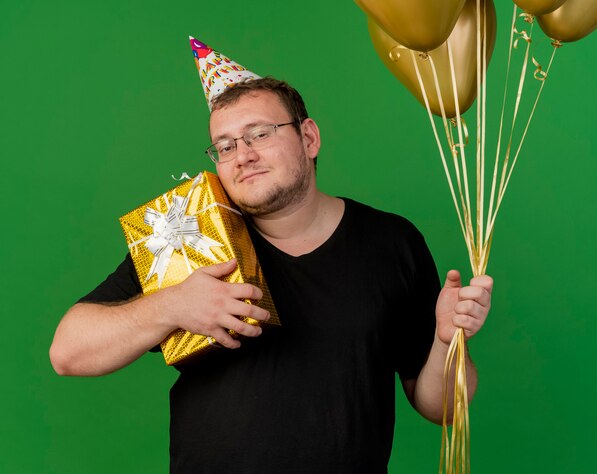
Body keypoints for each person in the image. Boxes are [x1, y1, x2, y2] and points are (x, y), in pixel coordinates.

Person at [50, 75, 493, 473]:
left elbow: (445, 409)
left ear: (309, 137)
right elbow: (68, 352)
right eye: (225, 146)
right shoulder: (190, 237)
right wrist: (172, 305)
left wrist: (445, 340)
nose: (242, 155)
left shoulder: (393, 242)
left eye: (259, 134)